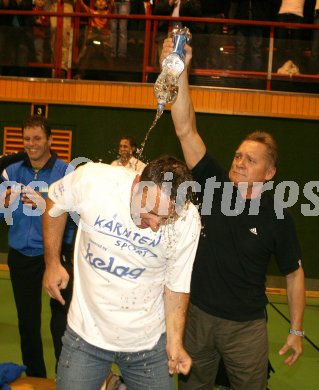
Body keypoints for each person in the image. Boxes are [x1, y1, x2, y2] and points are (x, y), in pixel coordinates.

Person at [161, 38, 306, 389]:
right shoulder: (214, 184)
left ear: (269, 174)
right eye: (239, 155)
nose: (239, 162)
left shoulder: (277, 214)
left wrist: (297, 330)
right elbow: (185, 128)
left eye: (250, 160)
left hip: (247, 329)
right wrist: (181, 68)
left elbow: (294, 274)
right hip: (197, 319)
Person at [42, 155, 201, 390]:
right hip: (85, 336)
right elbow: (55, 202)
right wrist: (52, 262)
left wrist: (175, 343)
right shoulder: (94, 180)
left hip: (147, 344)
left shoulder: (187, 220)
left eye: (165, 218)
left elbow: (176, 285)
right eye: (151, 211)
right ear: (137, 184)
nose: (156, 225)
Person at [0, 115, 75, 377]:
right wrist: (4, 203)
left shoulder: (67, 172)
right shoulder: (11, 171)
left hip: (57, 257)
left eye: (37, 138)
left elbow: (78, 216)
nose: (31, 144)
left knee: (61, 326)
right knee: (27, 325)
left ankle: (65, 378)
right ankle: (36, 378)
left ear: (50, 140)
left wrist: (45, 204)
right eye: (27, 139)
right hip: (21, 256)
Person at [75, 0, 114, 79]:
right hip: (93, 38)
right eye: (98, 1)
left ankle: (110, 75)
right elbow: (83, 6)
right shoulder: (92, 12)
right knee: (85, 52)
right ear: (95, 4)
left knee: (108, 55)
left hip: (104, 39)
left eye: (103, 1)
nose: (100, 2)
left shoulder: (108, 13)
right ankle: (80, 73)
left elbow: (112, 6)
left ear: (106, 4)